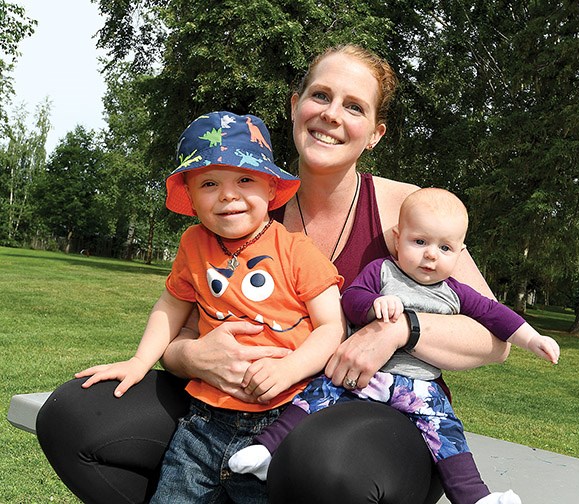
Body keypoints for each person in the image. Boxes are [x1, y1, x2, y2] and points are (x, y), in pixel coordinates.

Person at [36, 45, 544, 504]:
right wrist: (190, 355)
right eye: (320, 96)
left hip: (379, 415)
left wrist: (400, 328)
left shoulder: (407, 212)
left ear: (375, 133)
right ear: (295, 104)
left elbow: (492, 336)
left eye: (354, 106)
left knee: (321, 462)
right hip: (237, 403)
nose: (331, 115)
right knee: (76, 417)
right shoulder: (243, 199)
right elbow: (183, 320)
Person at [74, 111, 345, 501]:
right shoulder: (193, 244)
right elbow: (170, 305)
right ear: (191, 194)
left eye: (245, 179)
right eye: (210, 183)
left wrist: (289, 368)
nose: (228, 195)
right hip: (202, 422)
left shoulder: (297, 251)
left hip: (280, 424)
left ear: (271, 188)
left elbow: (331, 328)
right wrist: (139, 362)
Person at [229, 188, 559, 504]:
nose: (431, 254)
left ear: (459, 253)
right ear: (397, 239)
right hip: (364, 377)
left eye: (445, 248)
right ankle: (267, 450)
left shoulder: (456, 292)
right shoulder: (383, 271)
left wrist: (532, 338)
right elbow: (352, 299)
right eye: (420, 242)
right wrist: (374, 305)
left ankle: (476, 496)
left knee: (447, 435)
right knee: (314, 397)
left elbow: (494, 314)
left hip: (420, 388)